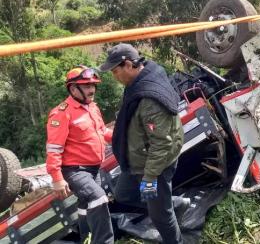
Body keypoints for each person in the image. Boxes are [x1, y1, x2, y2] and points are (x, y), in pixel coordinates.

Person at [99, 43, 185, 244]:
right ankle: (176, 204)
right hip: (136, 162)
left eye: (115, 71)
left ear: (128, 64)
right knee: (123, 193)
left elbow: (162, 144)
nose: (114, 76)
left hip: (155, 166)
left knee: (161, 218)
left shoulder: (149, 98)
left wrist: (149, 177)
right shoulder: (139, 81)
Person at [46, 66, 114, 244]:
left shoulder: (92, 107)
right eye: (86, 85)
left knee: (86, 205)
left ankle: (87, 240)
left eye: (93, 85)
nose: (92, 89)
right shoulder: (61, 113)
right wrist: (57, 178)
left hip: (94, 168)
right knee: (99, 198)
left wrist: (123, 136)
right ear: (73, 88)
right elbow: (53, 149)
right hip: (74, 170)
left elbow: (102, 131)